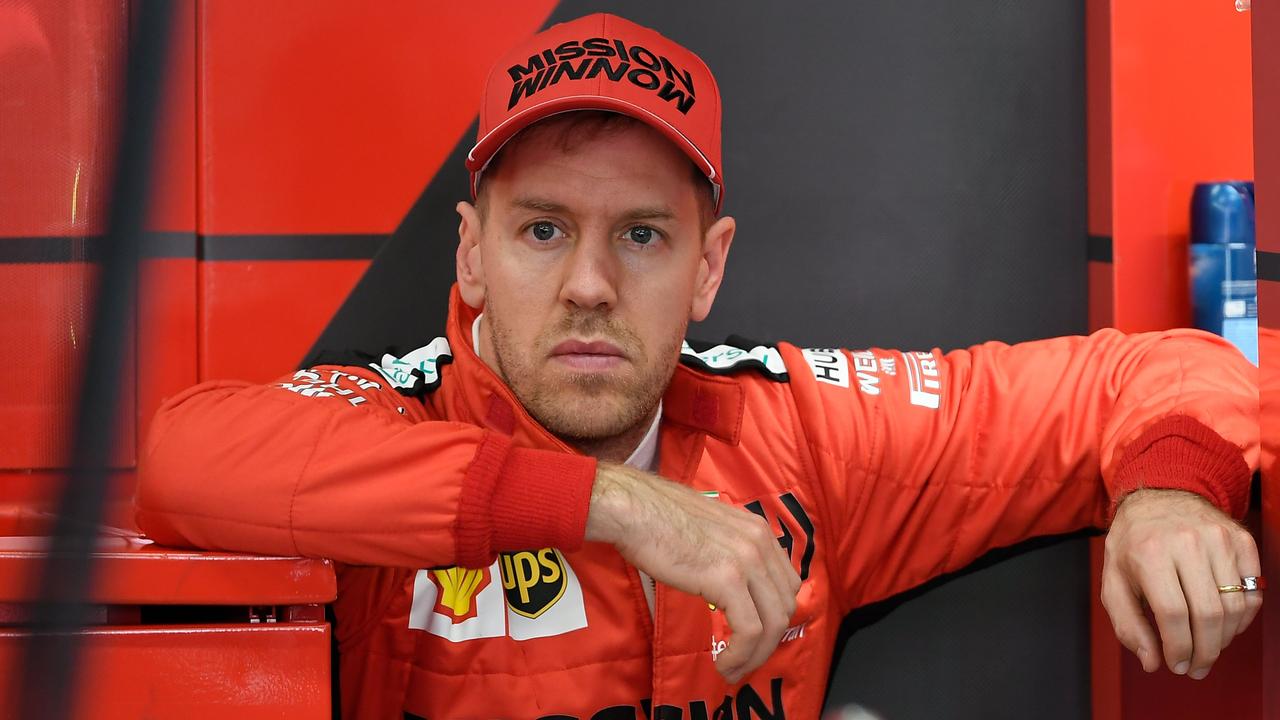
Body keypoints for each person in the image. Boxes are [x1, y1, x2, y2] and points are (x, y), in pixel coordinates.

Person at [135, 13, 1262, 719]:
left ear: (708, 267)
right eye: (540, 231)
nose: (587, 284)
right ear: (470, 252)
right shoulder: (395, 415)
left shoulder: (791, 427)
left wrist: (1167, 488)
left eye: (639, 236)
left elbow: (1155, 371)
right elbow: (185, 460)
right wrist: (613, 505)